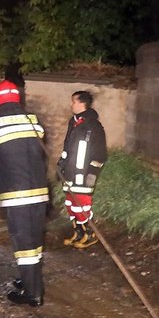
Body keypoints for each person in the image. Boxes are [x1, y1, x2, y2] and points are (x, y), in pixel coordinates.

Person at [0, 80, 48, 307]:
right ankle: (29, 278)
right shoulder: (33, 120)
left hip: (15, 194)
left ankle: (33, 294)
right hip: (40, 192)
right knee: (35, 241)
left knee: (24, 245)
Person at [57, 90, 107, 249]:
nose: (71, 105)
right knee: (71, 204)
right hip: (70, 172)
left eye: (73, 101)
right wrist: (61, 165)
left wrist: (92, 173)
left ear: (81, 103)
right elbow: (67, 147)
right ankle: (78, 232)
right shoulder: (74, 123)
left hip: (84, 174)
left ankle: (90, 234)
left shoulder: (94, 125)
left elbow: (101, 153)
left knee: (82, 206)